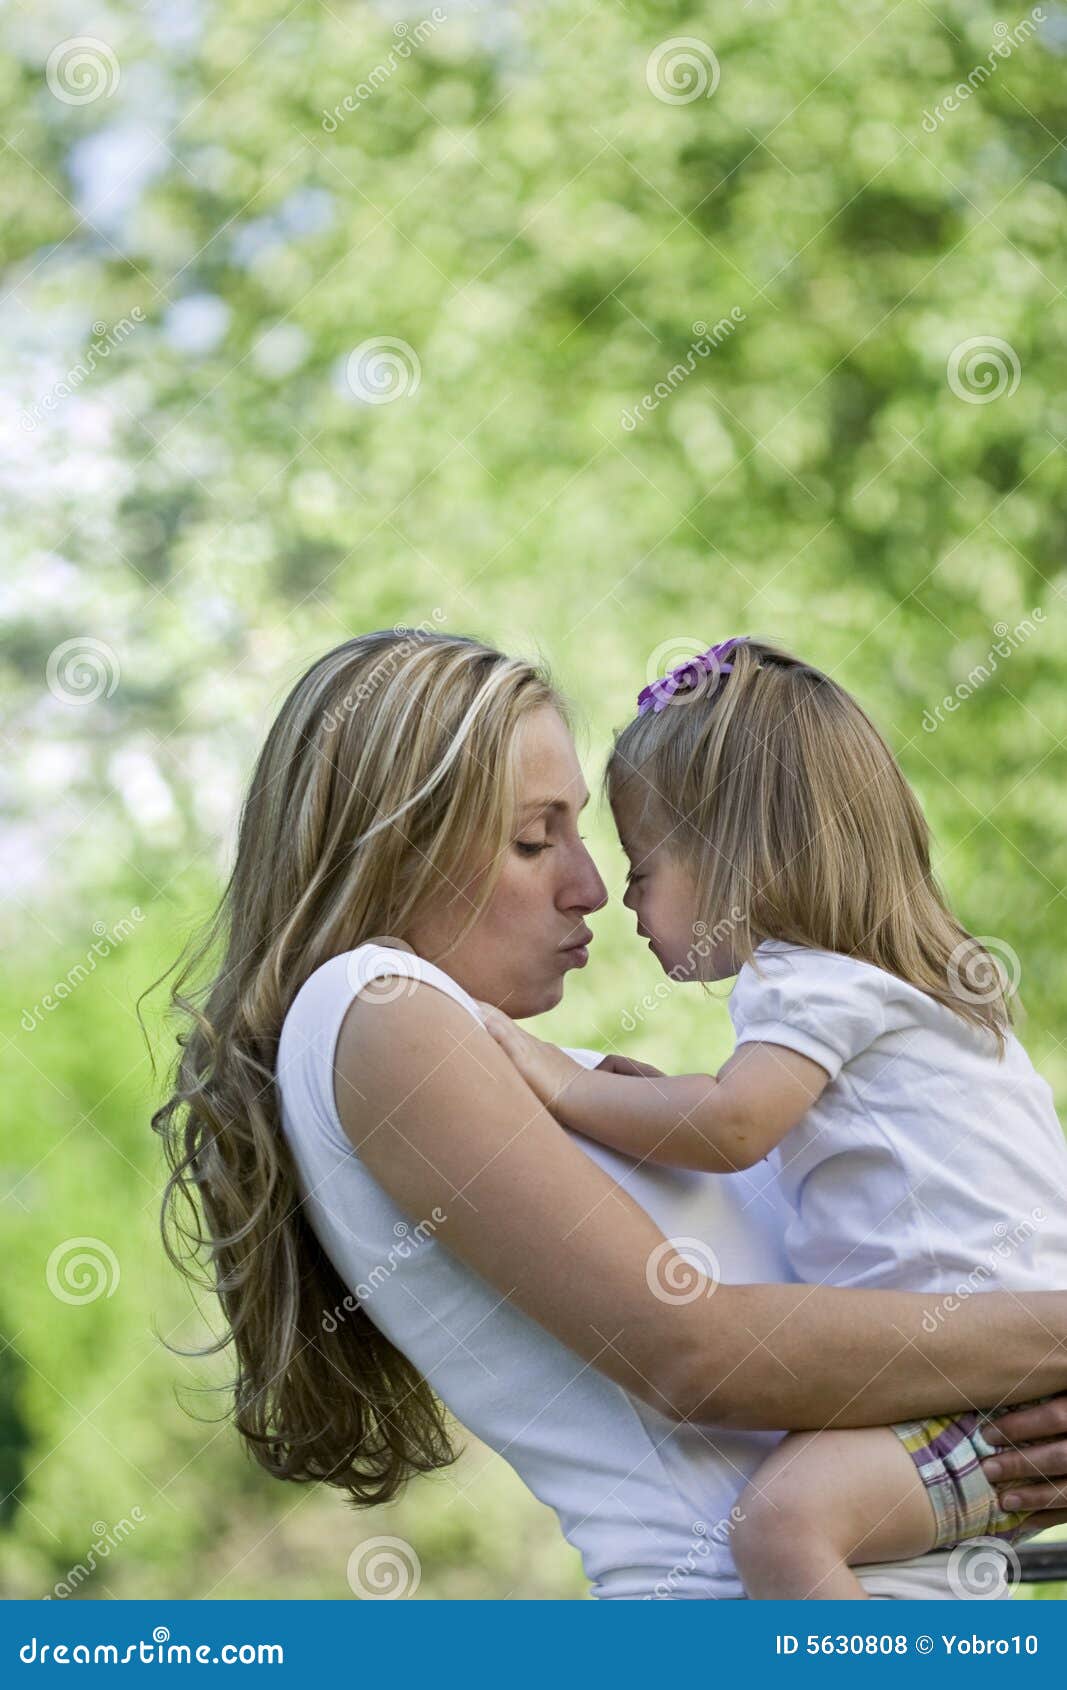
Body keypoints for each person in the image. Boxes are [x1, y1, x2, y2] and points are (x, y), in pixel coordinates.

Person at [151, 629, 1067, 1600]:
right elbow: (698, 1352)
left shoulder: (521, 1063)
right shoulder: (373, 1005)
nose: (590, 887)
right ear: (394, 846)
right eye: (532, 838)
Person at [480, 633, 1067, 1598]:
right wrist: (640, 1100)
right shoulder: (889, 986)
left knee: (783, 1529)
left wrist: (560, 1082)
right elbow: (788, 1160)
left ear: (736, 858)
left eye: (643, 863)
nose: (618, 896)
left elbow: (730, 1130)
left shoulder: (807, 986)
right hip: (1001, 1363)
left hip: (981, 1385)